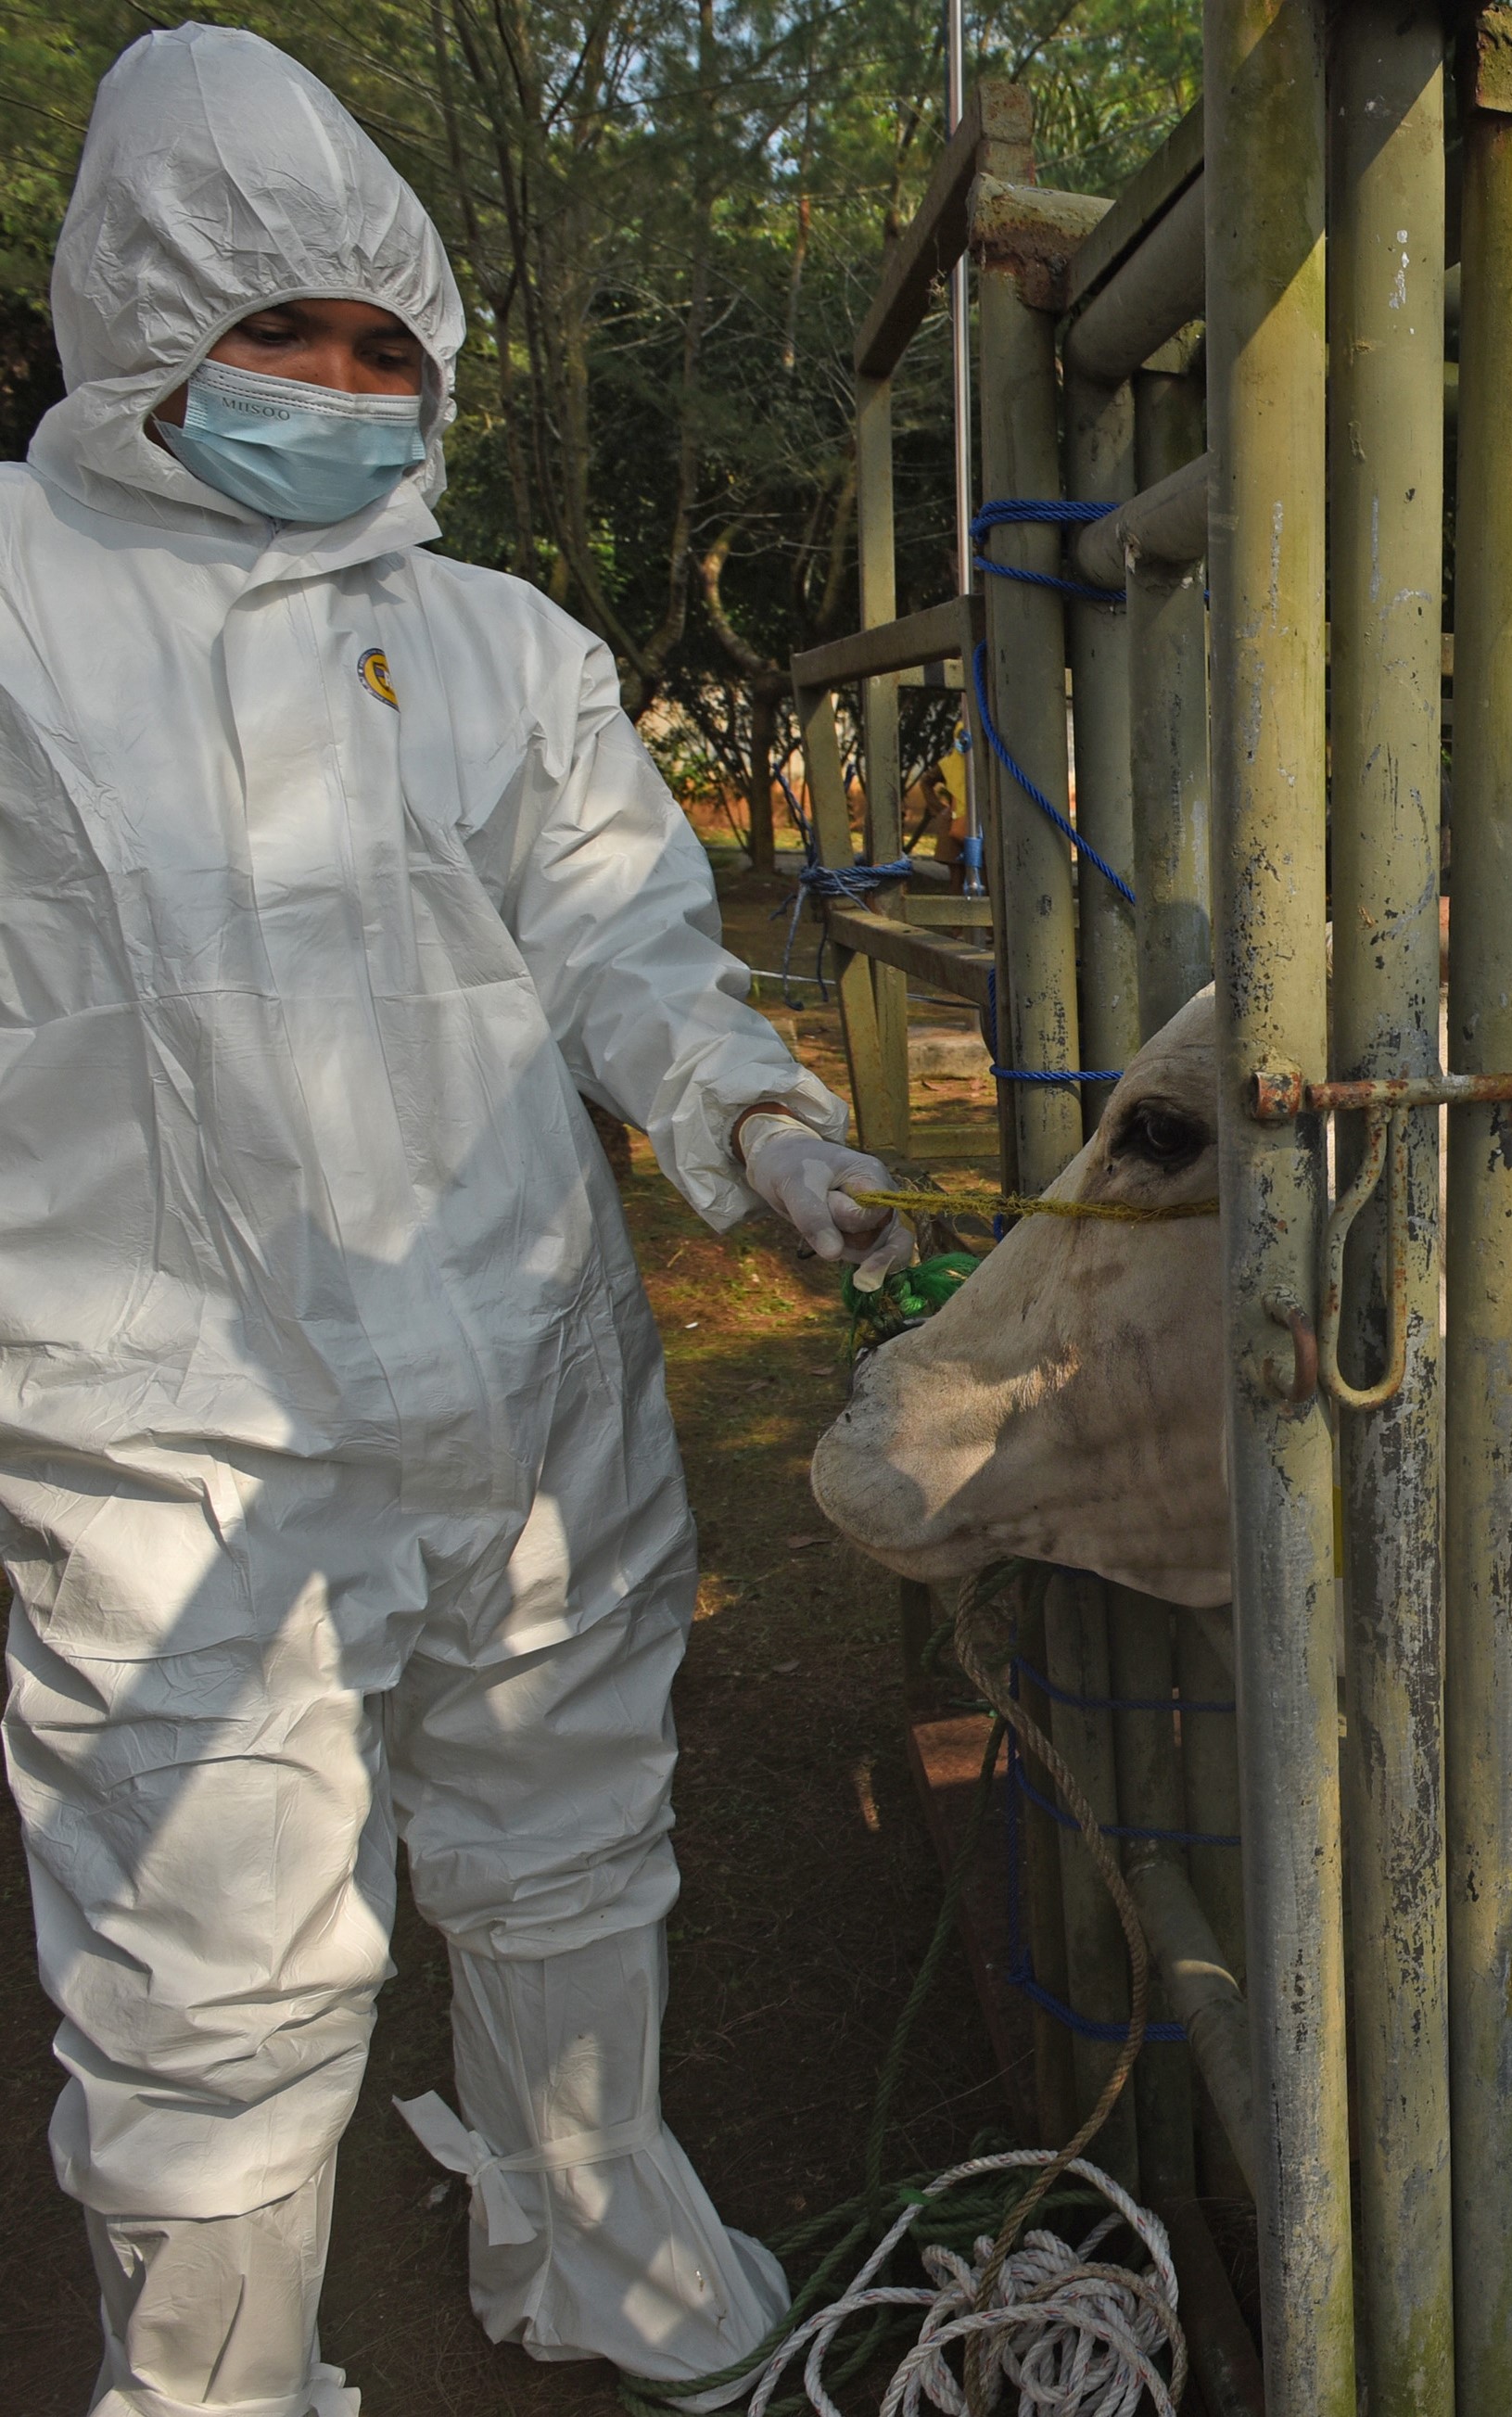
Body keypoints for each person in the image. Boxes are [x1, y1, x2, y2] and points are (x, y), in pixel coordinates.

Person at [1, 26, 912, 2415]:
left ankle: (589, 2233)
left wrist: (757, 1116)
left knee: (575, 1838)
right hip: (171, 1427)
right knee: (212, 1980)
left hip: (526, 1377)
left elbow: (622, 937)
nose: (329, 383)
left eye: (376, 344)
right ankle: (214, 2389)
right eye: (268, 331)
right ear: (131, 316)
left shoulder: (503, 640)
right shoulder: (13, 612)